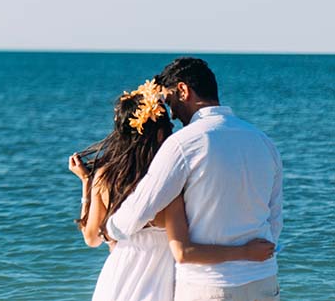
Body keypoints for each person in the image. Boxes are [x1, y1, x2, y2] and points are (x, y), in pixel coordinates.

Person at [69, 77, 274, 300]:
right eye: (168, 128)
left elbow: (91, 239)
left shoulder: (104, 176)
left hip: (116, 276)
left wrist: (86, 185)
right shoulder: (167, 188)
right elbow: (183, 251)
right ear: (159, 135)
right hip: (157, 281)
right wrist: (245, 252)